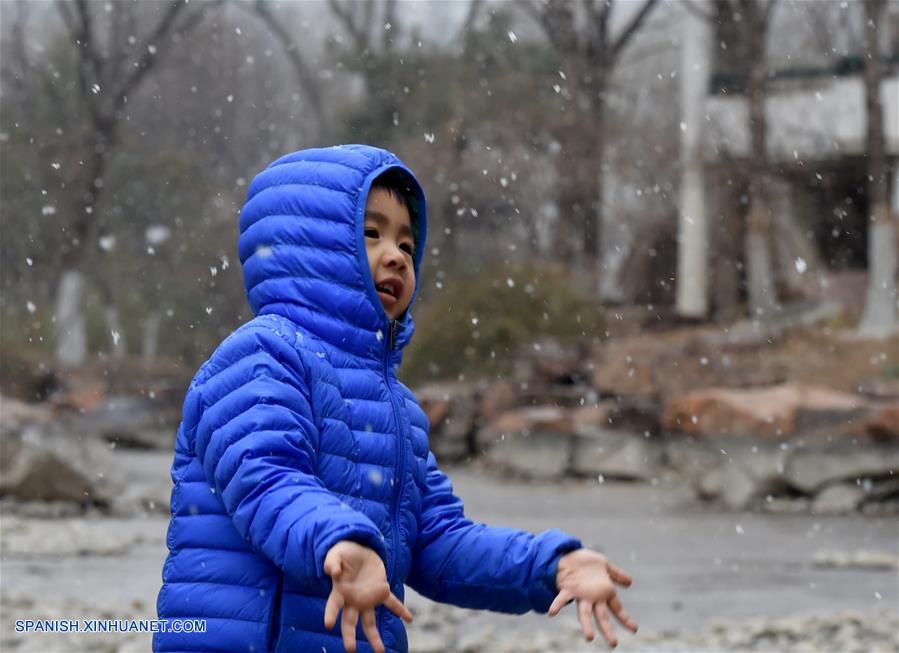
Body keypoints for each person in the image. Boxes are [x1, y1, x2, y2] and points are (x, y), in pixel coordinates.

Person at [154, 144, 637, 653]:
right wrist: (339, 541)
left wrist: (549, 566)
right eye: (371, 234)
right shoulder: (262, 354)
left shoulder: (399, 410)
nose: (396, 256)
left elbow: (439, 543)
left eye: (408, 245)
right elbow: (264, 478)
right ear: (307, 246)